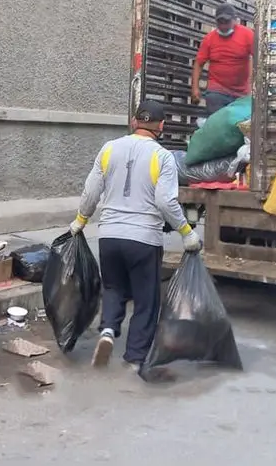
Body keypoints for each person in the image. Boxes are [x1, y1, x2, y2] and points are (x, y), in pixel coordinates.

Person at [69, 99, 203, 372]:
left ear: (134, 122)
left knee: (113, 288)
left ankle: (108, 330)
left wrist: (80, 220)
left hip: (109, 236)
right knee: (146, 299)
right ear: (162, 126)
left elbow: (91, 190)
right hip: (143, 239)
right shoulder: (162, 157)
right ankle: (134, 358)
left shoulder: (108, 149)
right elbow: (165, 202)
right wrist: (187, 232)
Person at [191, 3, 254, 115]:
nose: (223, 26)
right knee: (217, 120)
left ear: (235, 21)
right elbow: (199, 63)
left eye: (227, 22)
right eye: (220, 22)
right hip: (217, 89)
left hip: (241, 92)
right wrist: (195, 88)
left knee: (240, 124)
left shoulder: (247, 35)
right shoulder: (209, 39)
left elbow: (259, 59)